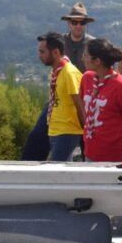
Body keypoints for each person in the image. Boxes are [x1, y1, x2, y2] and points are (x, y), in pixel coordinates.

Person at [20, 2, 95, 160]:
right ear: (69, 23)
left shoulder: (92, 45)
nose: (78, 26)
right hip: (60, 96)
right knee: (37, 136)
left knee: (88, 143)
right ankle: (30, 169)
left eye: (81, 22)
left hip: (84, 98)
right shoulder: (60, 41)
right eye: (74, 22)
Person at [80, 39, 122, 162]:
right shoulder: (87, 78)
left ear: (97, 61)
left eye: (86, 55)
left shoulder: (120, 85)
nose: (82, 58)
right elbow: (82, 103)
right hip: (91, 151)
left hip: (116, 155)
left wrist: (114, 133)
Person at [38, 31, 84, 161]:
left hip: (67, 131)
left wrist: (85, 130)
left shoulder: (69, 73)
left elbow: (80, 104)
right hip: (55, 130)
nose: (39, 55)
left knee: (60, 174)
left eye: (42, 52)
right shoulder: (56, 71)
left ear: (56, 52)